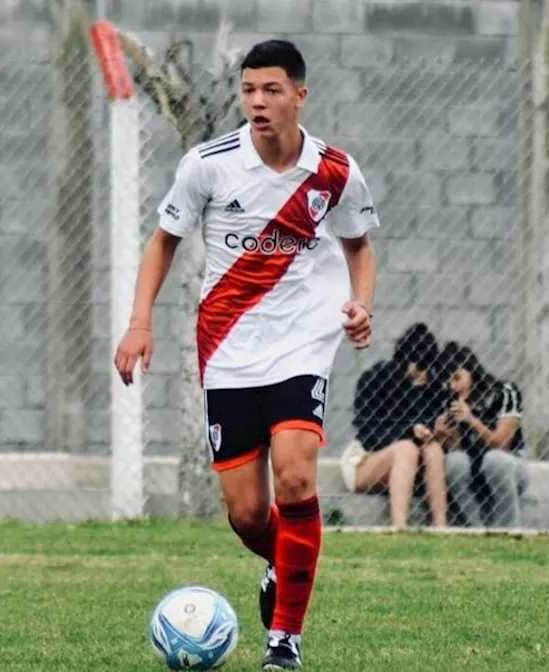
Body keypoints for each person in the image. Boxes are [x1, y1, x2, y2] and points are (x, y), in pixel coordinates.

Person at [113, 39, 379, 671]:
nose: (257, 103)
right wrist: (138, 321)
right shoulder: (208, 164)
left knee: (294, 474)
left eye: (272, 91)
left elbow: (360, 247)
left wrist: (360, 304)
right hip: (228, 348)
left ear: (299, 96)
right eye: (249, 90)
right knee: (246, 512)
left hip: (302, 343)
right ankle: (281, 566)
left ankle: (284, 639)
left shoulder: (334, 172)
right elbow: (162, 243)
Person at [345, 323, 450, 529]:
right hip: (367, 460)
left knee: (434, 449)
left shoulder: (430, 388)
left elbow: (431, 432)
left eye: (428, 369)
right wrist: (410, 432)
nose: (424, 374)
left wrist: (436, 432)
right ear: (407, 362)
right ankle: (399, 525)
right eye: (420, 367)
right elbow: (368, 433)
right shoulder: (377, 379)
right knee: (406, 448)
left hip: (416, 468)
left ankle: (440, 526)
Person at [435, 343, 529, 528]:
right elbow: (458, 448)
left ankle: (508, 530)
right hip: (473, 465)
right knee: (453, 461)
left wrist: (471, 419)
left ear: (471, 371)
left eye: (457, 378)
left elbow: (501, 444)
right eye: (448, 382)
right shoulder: (450, 400)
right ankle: (475, 529)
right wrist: (443, 435)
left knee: (495, 460)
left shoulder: (504, 392)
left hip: (509, 464)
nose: (453, 386)